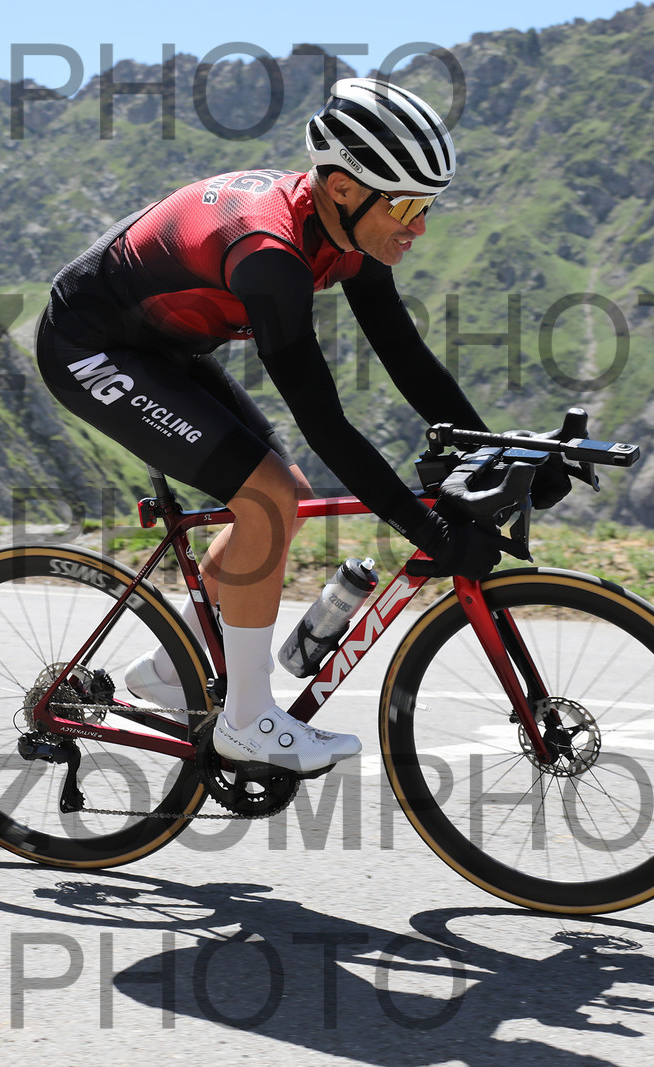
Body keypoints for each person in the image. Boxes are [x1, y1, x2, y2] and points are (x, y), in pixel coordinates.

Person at [35, 77, 504, 775]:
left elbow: (405, 355)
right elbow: (324, 420)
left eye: (427, 205)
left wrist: (496, 451)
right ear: (344, 187)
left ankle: (168, 670)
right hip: (89, 345)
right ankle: (247, 720)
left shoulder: (348, 230)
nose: (420, 227)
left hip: (164, 345)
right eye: (407, 205)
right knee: (267, 496)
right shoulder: (271, 255)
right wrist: (426, 529)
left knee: (283, 495)